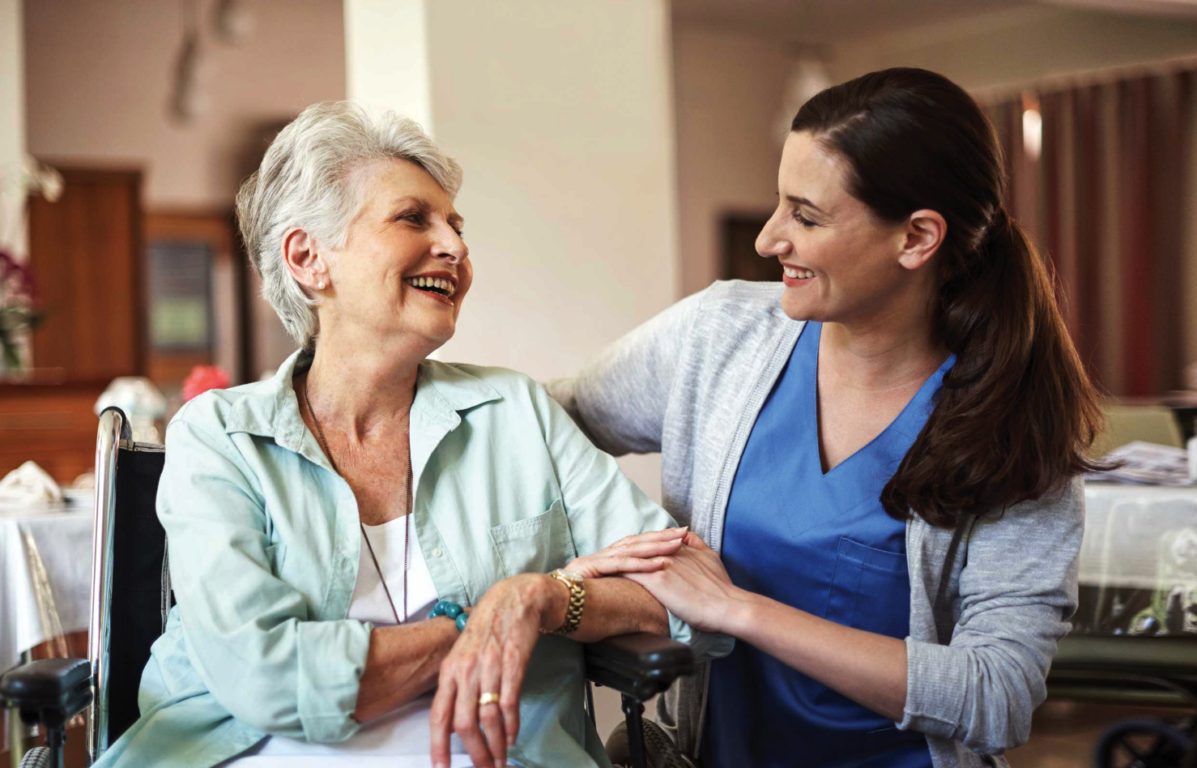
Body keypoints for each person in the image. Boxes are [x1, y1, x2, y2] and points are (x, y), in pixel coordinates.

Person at [93, 102, 728, 768]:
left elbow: (686, 593)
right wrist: (472, 623)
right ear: (309, 258)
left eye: (456, 225)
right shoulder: (221, 435)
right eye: (412, 219)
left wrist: (538, 597)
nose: (454, 247)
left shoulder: (514, 411)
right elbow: (267, 676)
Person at [550, 68, 1104, 768]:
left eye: (805, 216)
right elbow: (540, 427)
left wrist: (737, 610)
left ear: (916, 238)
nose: (767, 239)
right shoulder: (716, 339)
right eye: (779, 204)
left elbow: (996, 695)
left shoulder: (1012, 427)